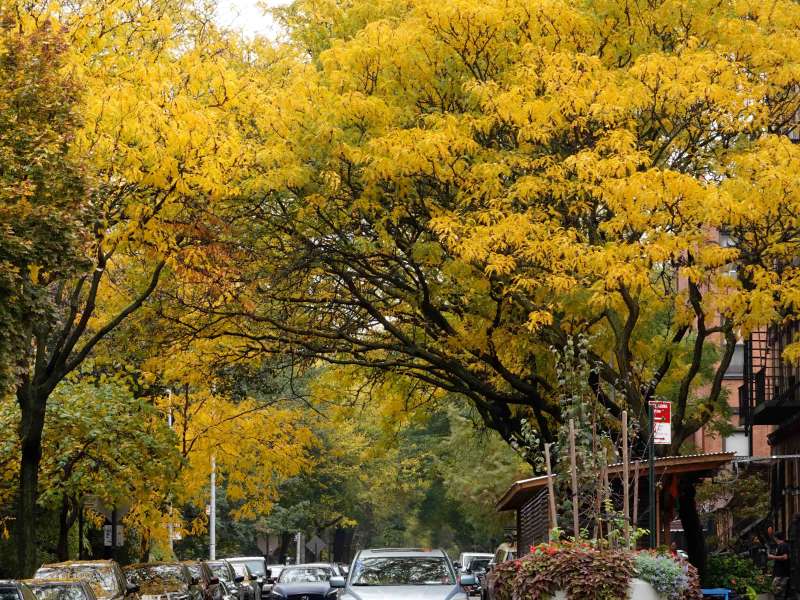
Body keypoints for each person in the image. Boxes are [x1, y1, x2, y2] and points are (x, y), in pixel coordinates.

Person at [768, 530, 791, 600]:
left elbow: (785, 557)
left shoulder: (783, 545)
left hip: (781, 573)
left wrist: (772, 557)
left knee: (776, 590)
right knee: (779, 592)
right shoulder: (781, 545)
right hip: (781, 573)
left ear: (776, 538)